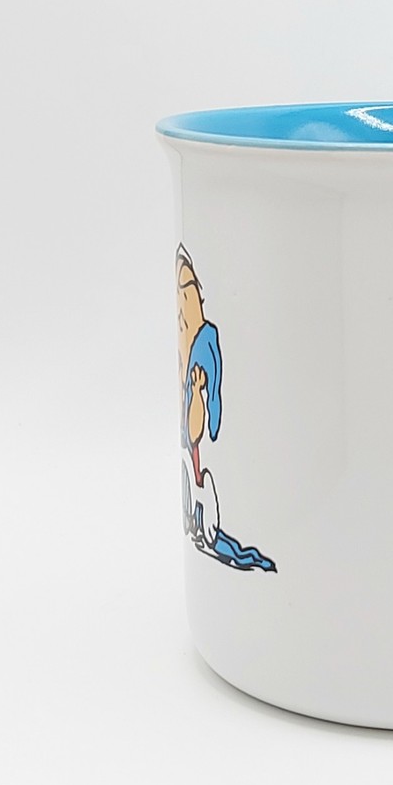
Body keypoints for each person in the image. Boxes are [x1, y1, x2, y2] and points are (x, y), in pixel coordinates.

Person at [177, 245, 276, 572]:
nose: (185, 307)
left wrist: (199, 391)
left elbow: (206, 424)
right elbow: (196, 431)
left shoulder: (205, 342)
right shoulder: (195, 348)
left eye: (190, 293)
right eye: (183, 295)